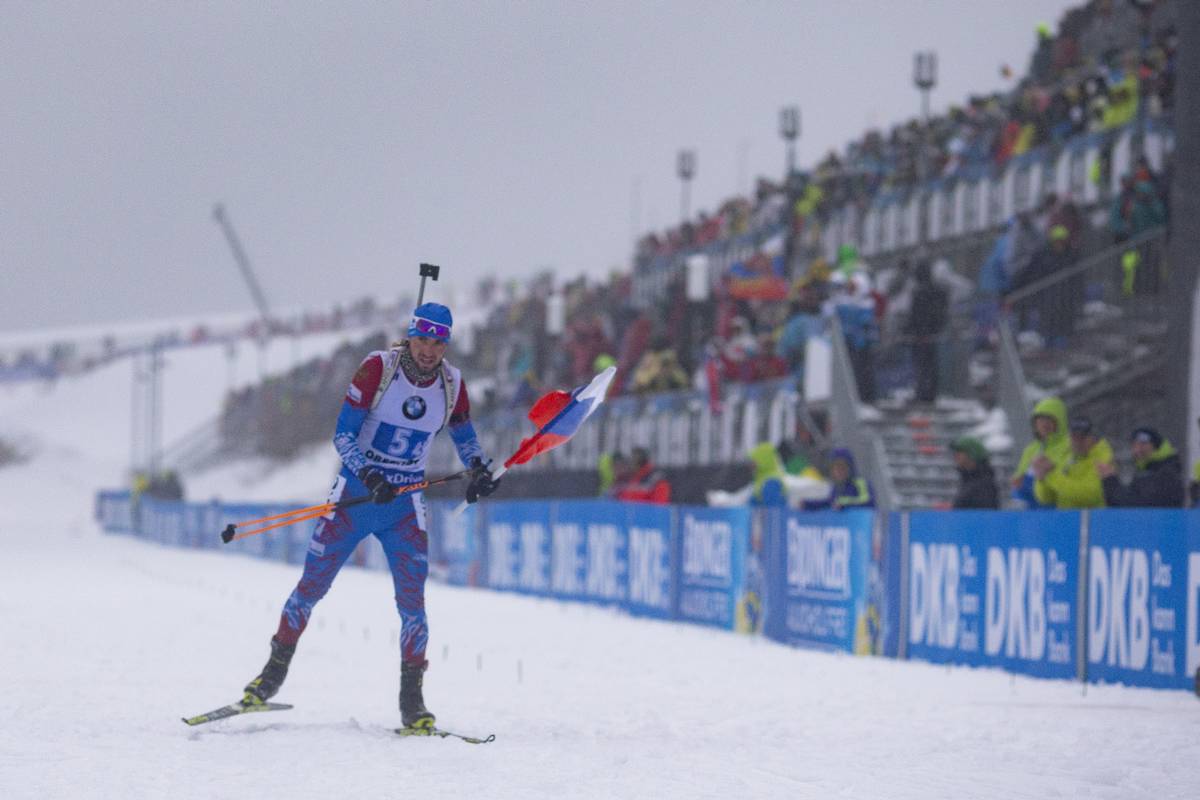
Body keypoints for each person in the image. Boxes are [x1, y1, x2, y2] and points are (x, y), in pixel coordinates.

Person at [241, 302, 500, 730]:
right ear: (410, 336)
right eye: (422, 340)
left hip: (404, 506)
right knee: (311, 587)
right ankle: (269, 679)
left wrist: (478, 469)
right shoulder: (378, 369)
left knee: (413, 603)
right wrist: (369, 474)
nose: (429, 351)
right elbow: (342, 434)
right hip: (357, 498)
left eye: (438, 343)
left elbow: (465, 433)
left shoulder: (452, 384)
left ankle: (412, 703)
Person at [1033, 416, 1112, 509]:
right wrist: (1042, 478)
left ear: (1094, 438)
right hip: (1068, 520)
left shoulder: (1104, 458)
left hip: (1095, 520)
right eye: (1073, 437)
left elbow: (1090, 495)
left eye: (1082, 438)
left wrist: (1051, 475)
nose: (1077, 442)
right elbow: (1046, 498)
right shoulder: (1065, 456)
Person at [1098, 426, 1184, 508]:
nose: (1138, 450)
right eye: (1134, 445)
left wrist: (1110, 480)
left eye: (1143, 444)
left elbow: (1135, 506)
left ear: (1156, 446)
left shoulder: (1166, 473)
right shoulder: (1143, 471)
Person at [1010, 396, 1070, 509]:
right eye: (1040, 420)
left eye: (1049, 420)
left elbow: (1068, 477)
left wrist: (1048, 470)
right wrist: (1018, 482)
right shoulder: (1031, 449)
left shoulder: (1070, 446)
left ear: (1060, 421)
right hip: (1032, 510)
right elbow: (1021, 476)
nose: (1044, 424)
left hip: (1059, 508)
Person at [904, 261, 949, 404]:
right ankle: (930, 393)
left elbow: (915, 315)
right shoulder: (938, 291)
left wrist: (911, 330)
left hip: (920, 334)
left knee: (921, 365)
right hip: (933, 332)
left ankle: (922, 393)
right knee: (931, 364)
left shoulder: (919, 292)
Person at [803, 447, 874, 511]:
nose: (839, 472)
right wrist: (808, 504)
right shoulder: (835, 487)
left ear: (850, 468)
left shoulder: (860, 483)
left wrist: (845, 505)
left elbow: (868, 501)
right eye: (835, 468)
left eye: (842, 467)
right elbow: (828, 502)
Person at [950, 437, 999, 509]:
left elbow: (985, 516)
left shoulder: (984, 485)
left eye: (960, 452)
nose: (955, 456)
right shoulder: (968, 480)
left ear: (972, 454)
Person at [748, 443, 787, 507]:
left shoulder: (772, 481)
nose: (751, 465)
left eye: (754, 461)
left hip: (765, 516)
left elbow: (772, 510)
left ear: (763, 461)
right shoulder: (761, 478)